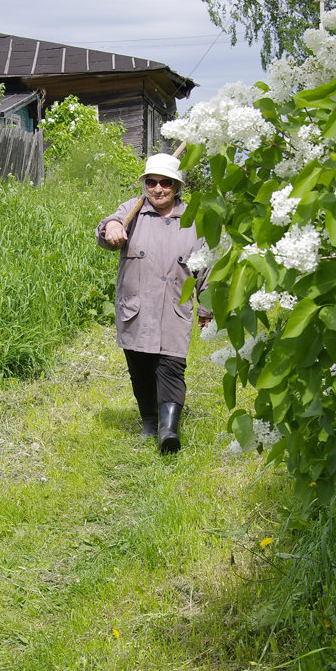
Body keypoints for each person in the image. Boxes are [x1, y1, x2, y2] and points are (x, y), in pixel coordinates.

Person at [96, 153, 210, 454]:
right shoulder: (131, 210)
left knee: (172, 366)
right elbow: (108, 227)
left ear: (176, 187)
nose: (158, 189)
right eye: (151, 182)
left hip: (174, 307)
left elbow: (206, 267)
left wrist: (206, 307)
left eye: (165, 183)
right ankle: (149, 422)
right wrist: (111, 227)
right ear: (145, 183)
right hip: (136, 308)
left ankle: (168, 430)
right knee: (141, 368)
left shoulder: (193, 220)